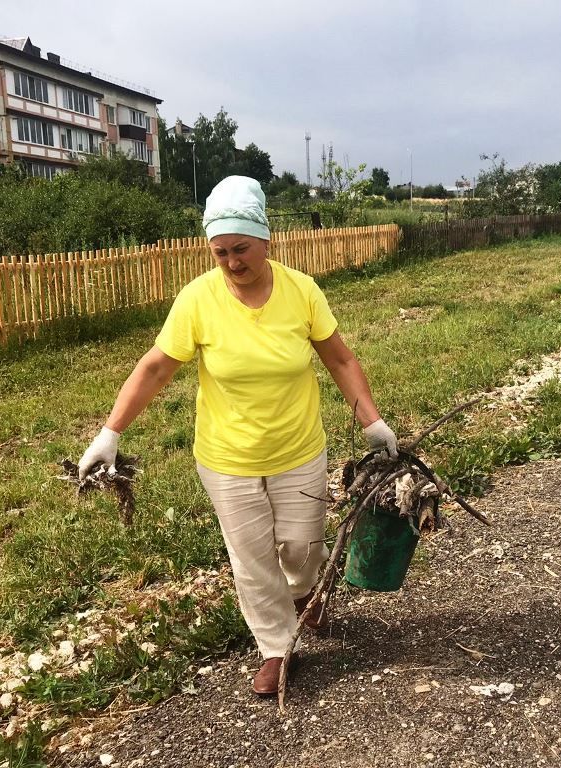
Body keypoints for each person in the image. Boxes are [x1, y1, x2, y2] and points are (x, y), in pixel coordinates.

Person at [77, 176, 397, 696]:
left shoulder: (301, 291)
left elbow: (338, 357)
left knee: (303, 548)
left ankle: (299, 595)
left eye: (241, 249)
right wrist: (110, 432)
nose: (230, 262)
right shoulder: (197, 299)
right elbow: (156, 368)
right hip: (227, 458)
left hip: (298, 450)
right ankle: (276, 647)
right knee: (251, 559)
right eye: (220, 251)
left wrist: (372, 420)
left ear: (266, 240)